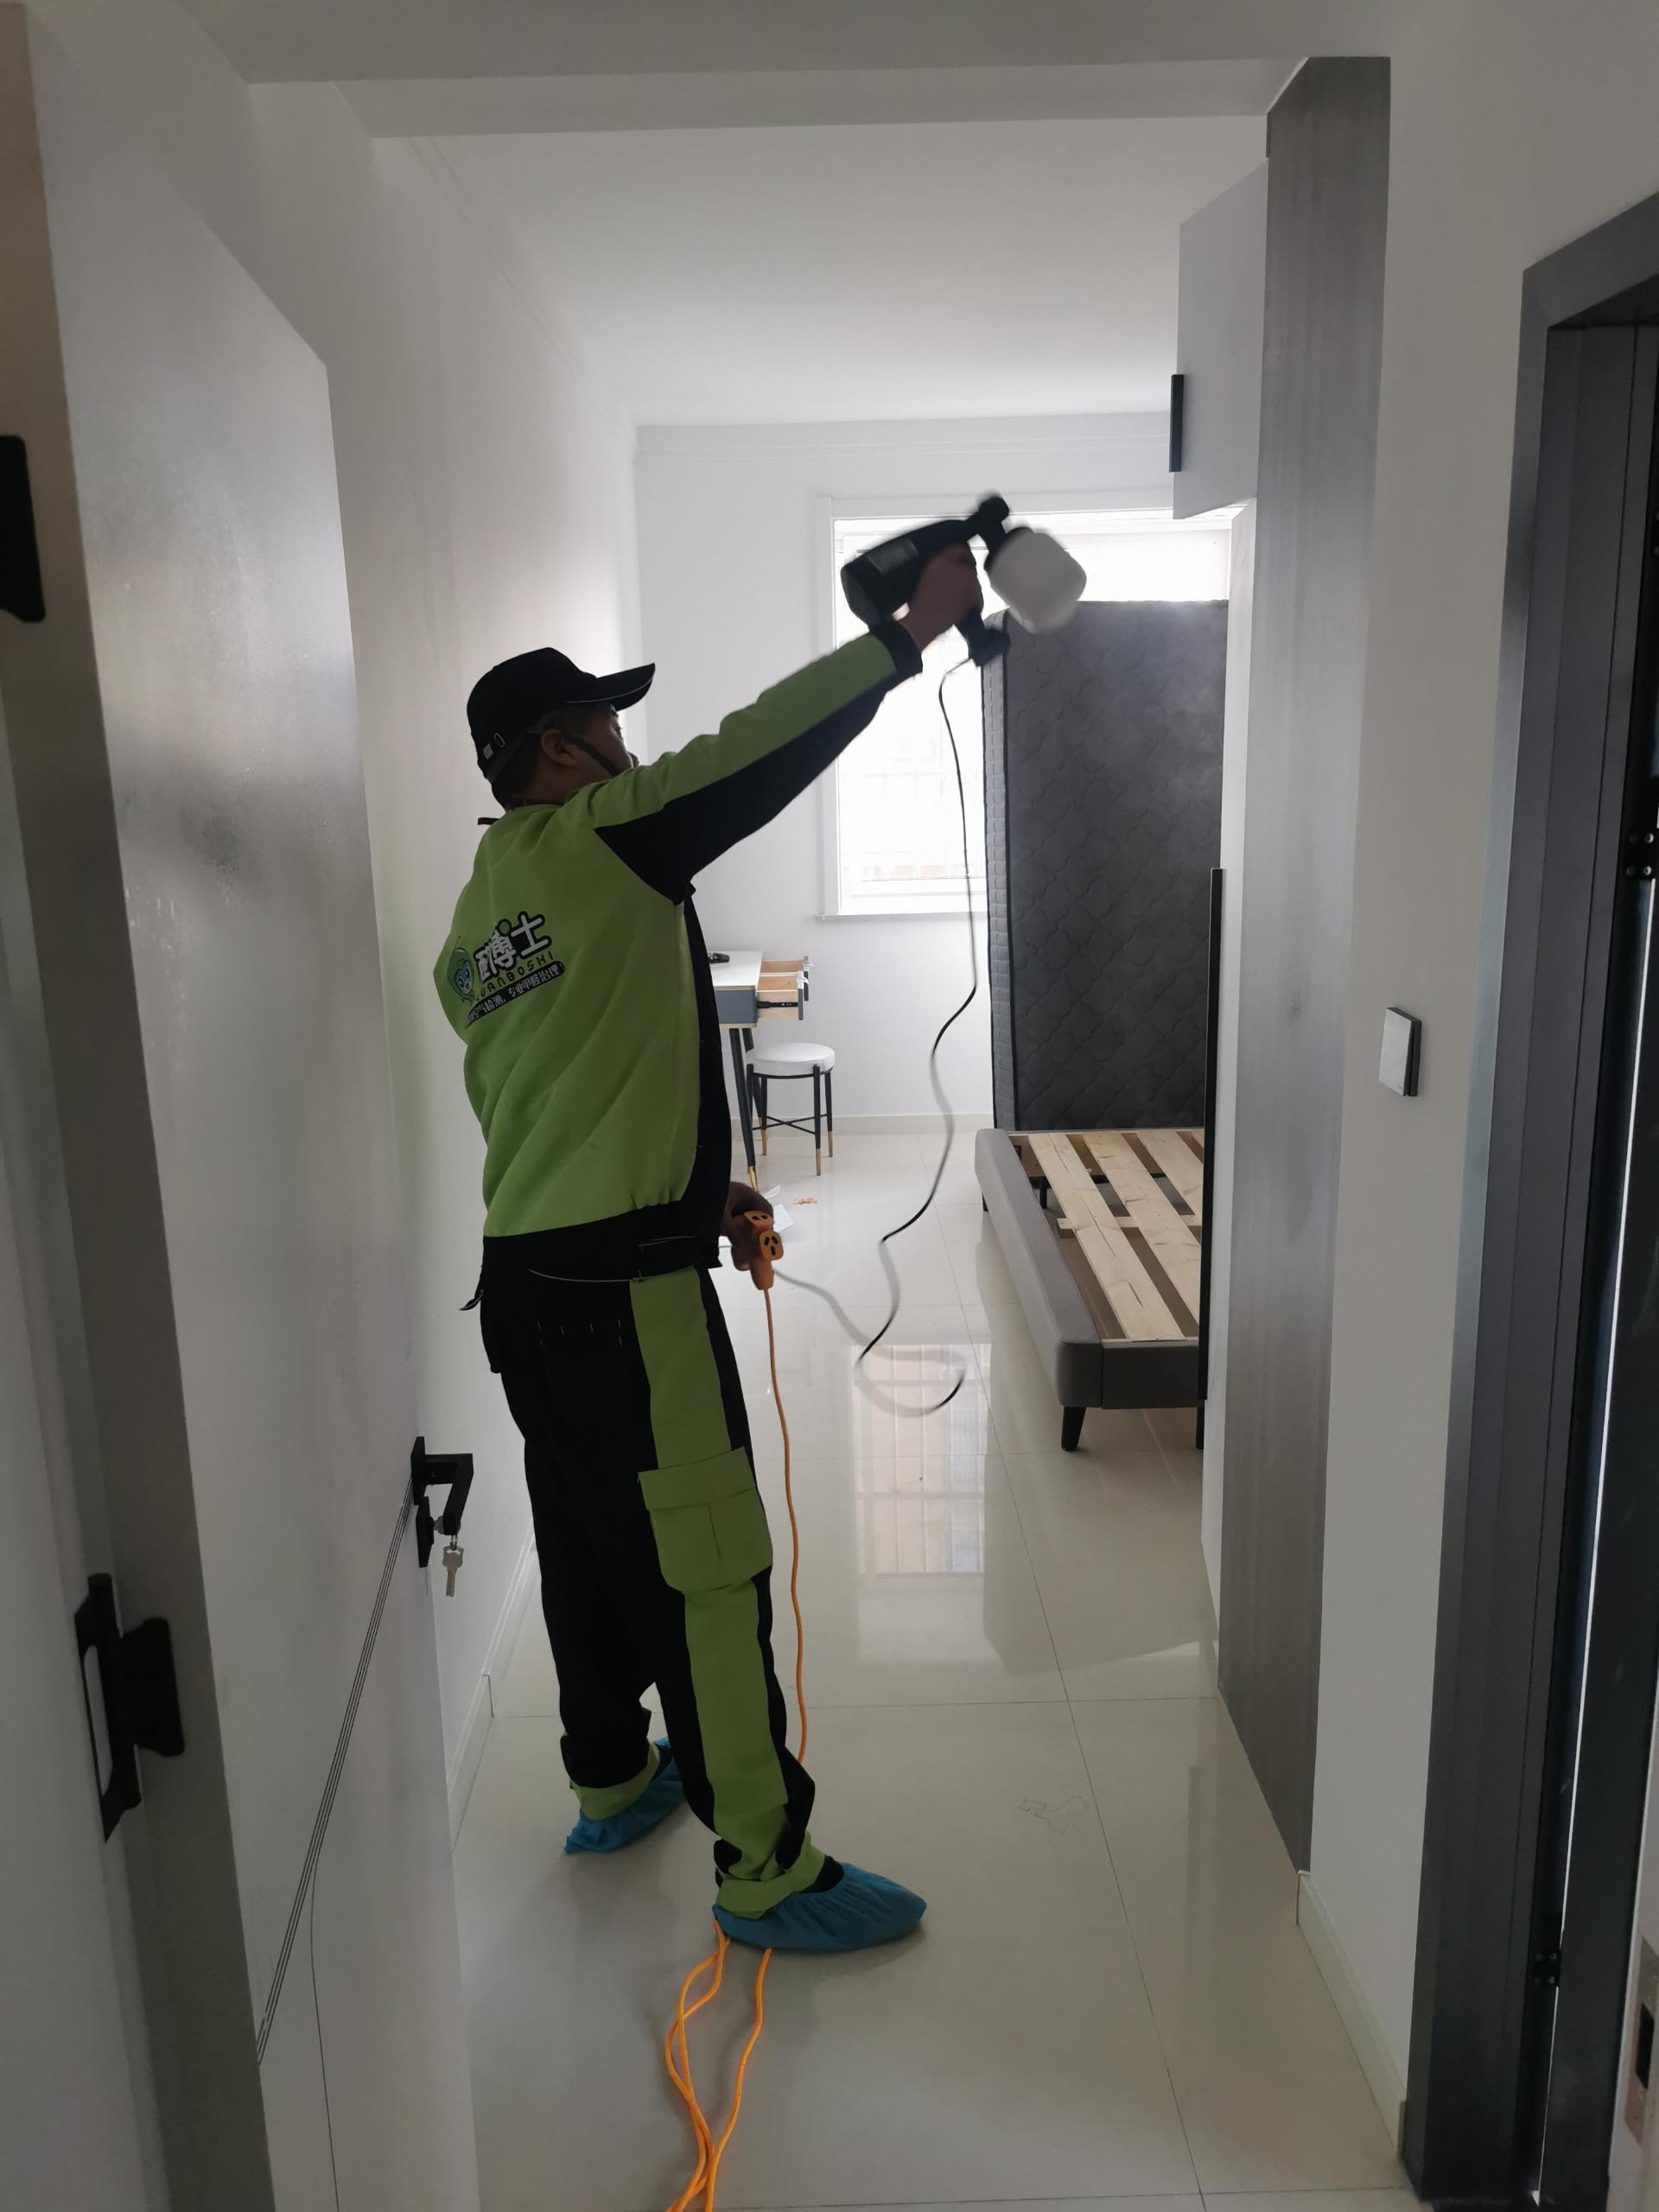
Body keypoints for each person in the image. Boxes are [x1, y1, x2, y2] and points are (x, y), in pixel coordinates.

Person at [435, 545, 982, 1952]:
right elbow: (752, 753)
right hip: (626, 1306)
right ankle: (766, 1864)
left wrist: (700, 1197)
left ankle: (613, 1778)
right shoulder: (607, 833)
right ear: (562, 751)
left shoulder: (481, 916)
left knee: (584, 1539)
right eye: (604, 724)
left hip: (526, 1286)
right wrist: (904, 637)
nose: (626, 743)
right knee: (710, 1567)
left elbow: (568, 1086)